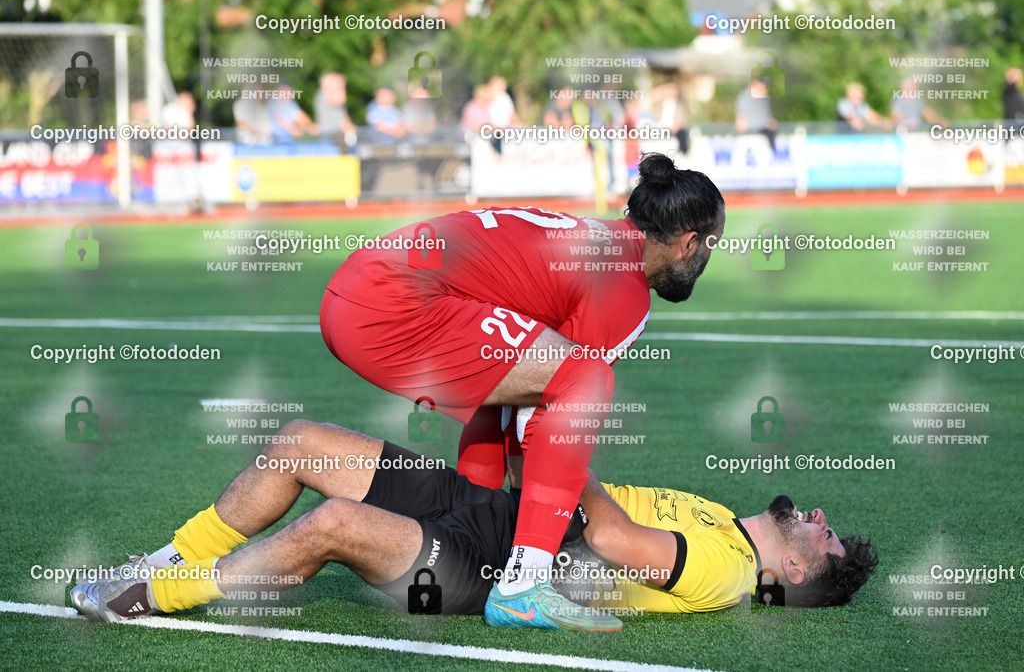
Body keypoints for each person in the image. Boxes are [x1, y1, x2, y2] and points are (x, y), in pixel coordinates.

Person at [317, 153, 726, 630]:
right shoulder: (623, 288)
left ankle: (471, 537)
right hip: (391, 305)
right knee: (585, 379)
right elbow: (545, 419)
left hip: (355, 291)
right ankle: (523, 586)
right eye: (712, 243)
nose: (709, 257)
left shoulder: (596, 238)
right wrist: (548, 511)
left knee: (522, 386)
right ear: (688, 243)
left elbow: (516, 398)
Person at [70, 419, 877, 625]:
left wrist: (559, 452)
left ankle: (152, 592)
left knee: (331, 524)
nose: (818, 517)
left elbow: (614, 539)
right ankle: (170, 550)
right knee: (297, 444)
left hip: (481, 565)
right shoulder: (718, 516)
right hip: (488, 507)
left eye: (824, 535)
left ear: (796, 571)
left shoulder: (728, 571)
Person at [314, 72, 357, 150]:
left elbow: (343, 115)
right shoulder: (323, 94)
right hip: (330, 134)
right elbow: (340, 100)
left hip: (338, 133)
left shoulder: (330, 95)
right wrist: (341, 86)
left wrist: (349, 126)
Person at [735, 80, 777, 150]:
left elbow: (766, 115)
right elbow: (741, 115)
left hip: (763, 130)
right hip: (752, 131)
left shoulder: (763, 99)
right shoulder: (745, 98)